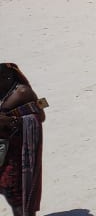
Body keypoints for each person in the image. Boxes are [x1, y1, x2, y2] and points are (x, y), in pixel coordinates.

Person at [1, 63, 45, 216]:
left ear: (7, 78)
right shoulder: (3, 91)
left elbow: (41, 112)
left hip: (21, 151)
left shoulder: (23, 91)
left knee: (18, 194)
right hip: (6, 150)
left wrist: (14, 121)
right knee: (10, 190)